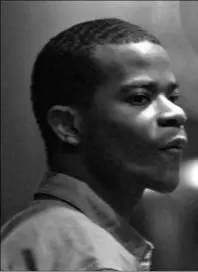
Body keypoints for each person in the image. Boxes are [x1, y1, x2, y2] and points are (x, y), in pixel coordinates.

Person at [1, 17, 187, 271]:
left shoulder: (37, 234)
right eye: (140, 98)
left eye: (173, 97)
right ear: (67, 125)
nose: (176, 113)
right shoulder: (86, 256)